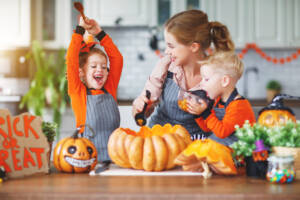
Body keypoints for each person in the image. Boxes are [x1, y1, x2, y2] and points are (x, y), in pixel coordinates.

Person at [132, 10, 234, 140]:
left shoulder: (217, 75)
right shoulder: (165, 65)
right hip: (160, 139)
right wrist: (140, 107)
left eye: (171, 46)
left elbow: (223, 123)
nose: (166, 51)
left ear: (193, 47)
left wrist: (205, 113)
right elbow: (145, 106)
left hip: (197, 143)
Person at [66, 16, 123, 162]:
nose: (100, 70)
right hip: (86, 160)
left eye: (104, 67)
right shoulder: (78, 93)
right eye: (94, 66)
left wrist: (99, 33)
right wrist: (79, 30)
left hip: (115, 158)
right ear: (81, 73)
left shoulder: (109, 88)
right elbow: (71, 60)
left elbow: (117, 58)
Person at [191, 51, 256, 146]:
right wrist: (199, 114)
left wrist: (206, 113)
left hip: (237, 154)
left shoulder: (238, 106)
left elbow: (222, 132)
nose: (201, 83)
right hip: (221, 147)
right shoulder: (218, 101)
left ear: (224, 81)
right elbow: (208, 128)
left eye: (206, 79)